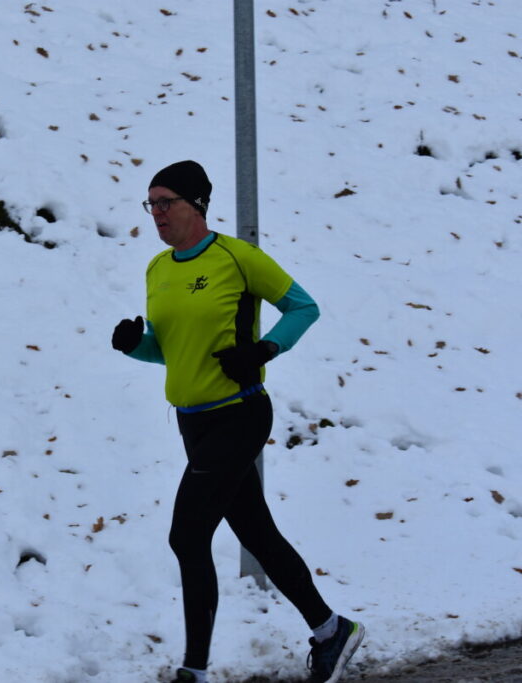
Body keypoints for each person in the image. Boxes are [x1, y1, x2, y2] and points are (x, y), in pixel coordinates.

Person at [112, 161, 365, 683]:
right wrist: (135, 345)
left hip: (239, 413)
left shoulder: (236, 257)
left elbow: (303, 308)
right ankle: (331, 630)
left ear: (198, 205)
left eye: (166, 202)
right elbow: (172, 352)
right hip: (192, 422)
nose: (156, 213)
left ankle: (194, 670)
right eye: (151, 203)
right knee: (257, 532)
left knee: (187, 537)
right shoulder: (158, 269)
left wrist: (265, 349)